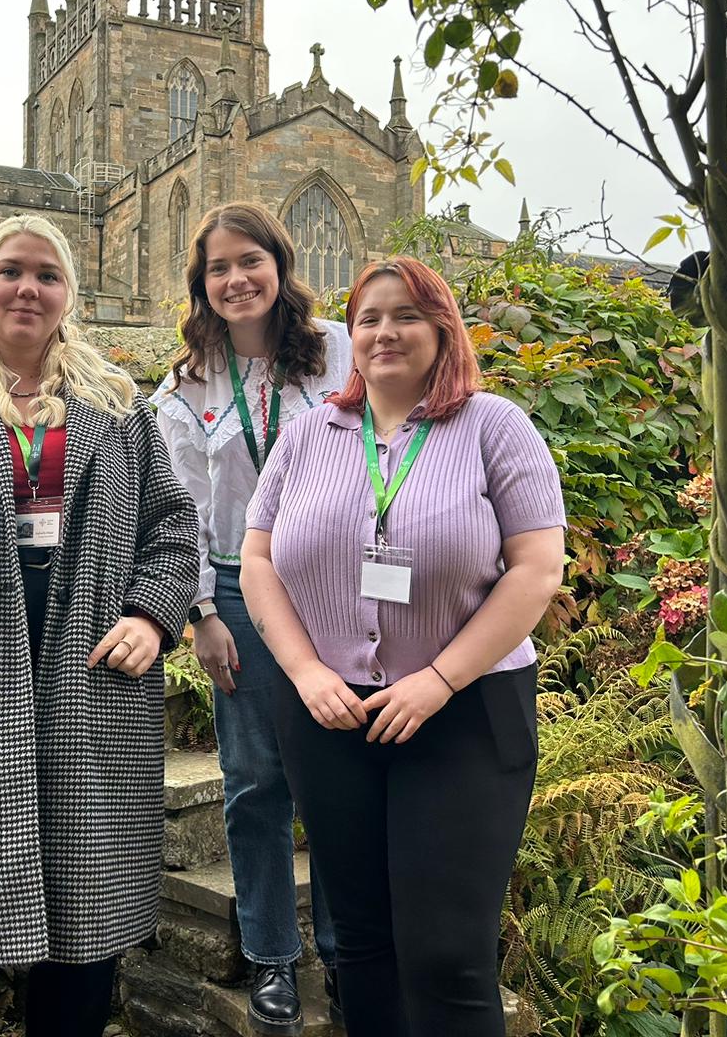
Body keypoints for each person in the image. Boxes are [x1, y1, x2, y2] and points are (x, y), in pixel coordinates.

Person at [0, 215, 199, 1037]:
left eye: (47, 275)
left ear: (69, 296)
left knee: (82, 941)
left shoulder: (115, 403)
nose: (28, 288)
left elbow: (173, 523)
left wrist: (152, 617)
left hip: (91, 678)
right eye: (11, 270)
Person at [240, 256, 566, 1037]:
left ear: (443, 328)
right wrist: (305, 669)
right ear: (348, 337)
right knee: (360, 947)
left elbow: (537, 568)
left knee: (448, 957)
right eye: (369, 319)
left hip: (463, 716)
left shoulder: (495, 425)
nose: (385, 332)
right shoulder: (309, 434)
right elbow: (256, 560)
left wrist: (440, 680)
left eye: (406, 315)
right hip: (330, 718)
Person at [151, 202, 351, 1034]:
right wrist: (200, 613)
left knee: (340, 777)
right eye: (217, 268)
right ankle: (273, 954)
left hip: (334, 590)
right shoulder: (188, 381)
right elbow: (181, 508)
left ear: (279, 263)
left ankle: (347, 955)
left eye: (250, 261)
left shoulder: (336, 350)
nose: (236, 279)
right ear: (202, 284)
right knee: (256, 781)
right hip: (236, 589)